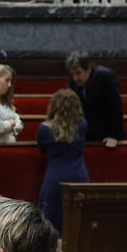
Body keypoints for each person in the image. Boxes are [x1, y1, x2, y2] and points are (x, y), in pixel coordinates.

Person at [36, 89, 89, 234]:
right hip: (79, 174)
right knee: (77, 220)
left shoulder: (44, 129)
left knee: (52, 221)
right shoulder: (83, 124)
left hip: (55, 176)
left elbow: (43, 149)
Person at [66, 52, 124, 147]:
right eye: (72, 74)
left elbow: (115, 108)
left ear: (88, 69)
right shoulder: (72, 80)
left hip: (106, 136)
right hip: (85, 135)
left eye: (78, 73)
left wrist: (114, 135)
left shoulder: (106, 76)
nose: (75, 78)